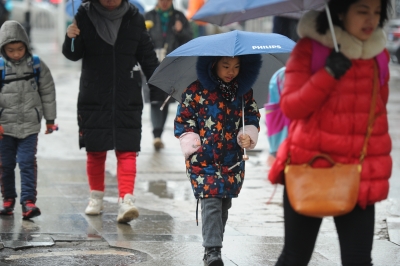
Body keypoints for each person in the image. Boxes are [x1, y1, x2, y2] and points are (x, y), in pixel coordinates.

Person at [268, 0, 392, 265]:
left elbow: (377, 114)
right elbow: (291, 107)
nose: (371, 19)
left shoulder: (377, 55)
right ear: (340, 11)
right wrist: (328, 74)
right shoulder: (309, 50)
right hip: (310, 166)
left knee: (358, 259)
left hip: (357, 175)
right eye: (362, 11)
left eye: (377, 12)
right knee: (295, 257)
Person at [62, 0, 159, 223]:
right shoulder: (83, 16)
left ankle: (126, 200)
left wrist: (158, 89)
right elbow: (73, 55)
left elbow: (147, 56)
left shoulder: (134, 17)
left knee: (128, 148)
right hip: (94, 93)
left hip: (127, 94)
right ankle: (96, 197)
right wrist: (71, 37)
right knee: (95, 149)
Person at [174, 54, 262, 265]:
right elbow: (183, 119)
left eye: (236, 66)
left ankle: (214, 248)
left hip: (231, 159)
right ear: (213, 65)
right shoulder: (195, 91)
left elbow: (251, 116)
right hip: (204, 158)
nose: (231, 71)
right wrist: (193, 142)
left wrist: (248, 133)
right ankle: (213, 251)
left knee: (223, 203)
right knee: (211, 201)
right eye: (225, 66)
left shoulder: (243, 93)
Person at [0, 20, 57, 219]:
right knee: (5, 164)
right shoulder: (0, 67)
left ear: (26, 44)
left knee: (26, 162)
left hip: (29, 125)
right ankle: (8, 199)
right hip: (4, 127)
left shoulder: (36, 65)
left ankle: (28, 201)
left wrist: (50, 120)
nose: (16, 53)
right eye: (10, 50)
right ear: (3, 49)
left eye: (20, 48)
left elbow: (48, 92)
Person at [145, 0, 192, 151]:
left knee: (164, 99)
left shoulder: (179, 17)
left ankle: (158, 133)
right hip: (151, 63)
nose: (164, 2)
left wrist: (180, 31)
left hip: (172, 65)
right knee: (154, 99)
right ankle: (156, 134)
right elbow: (139, 39)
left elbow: (189, 40)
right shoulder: (149, 16)